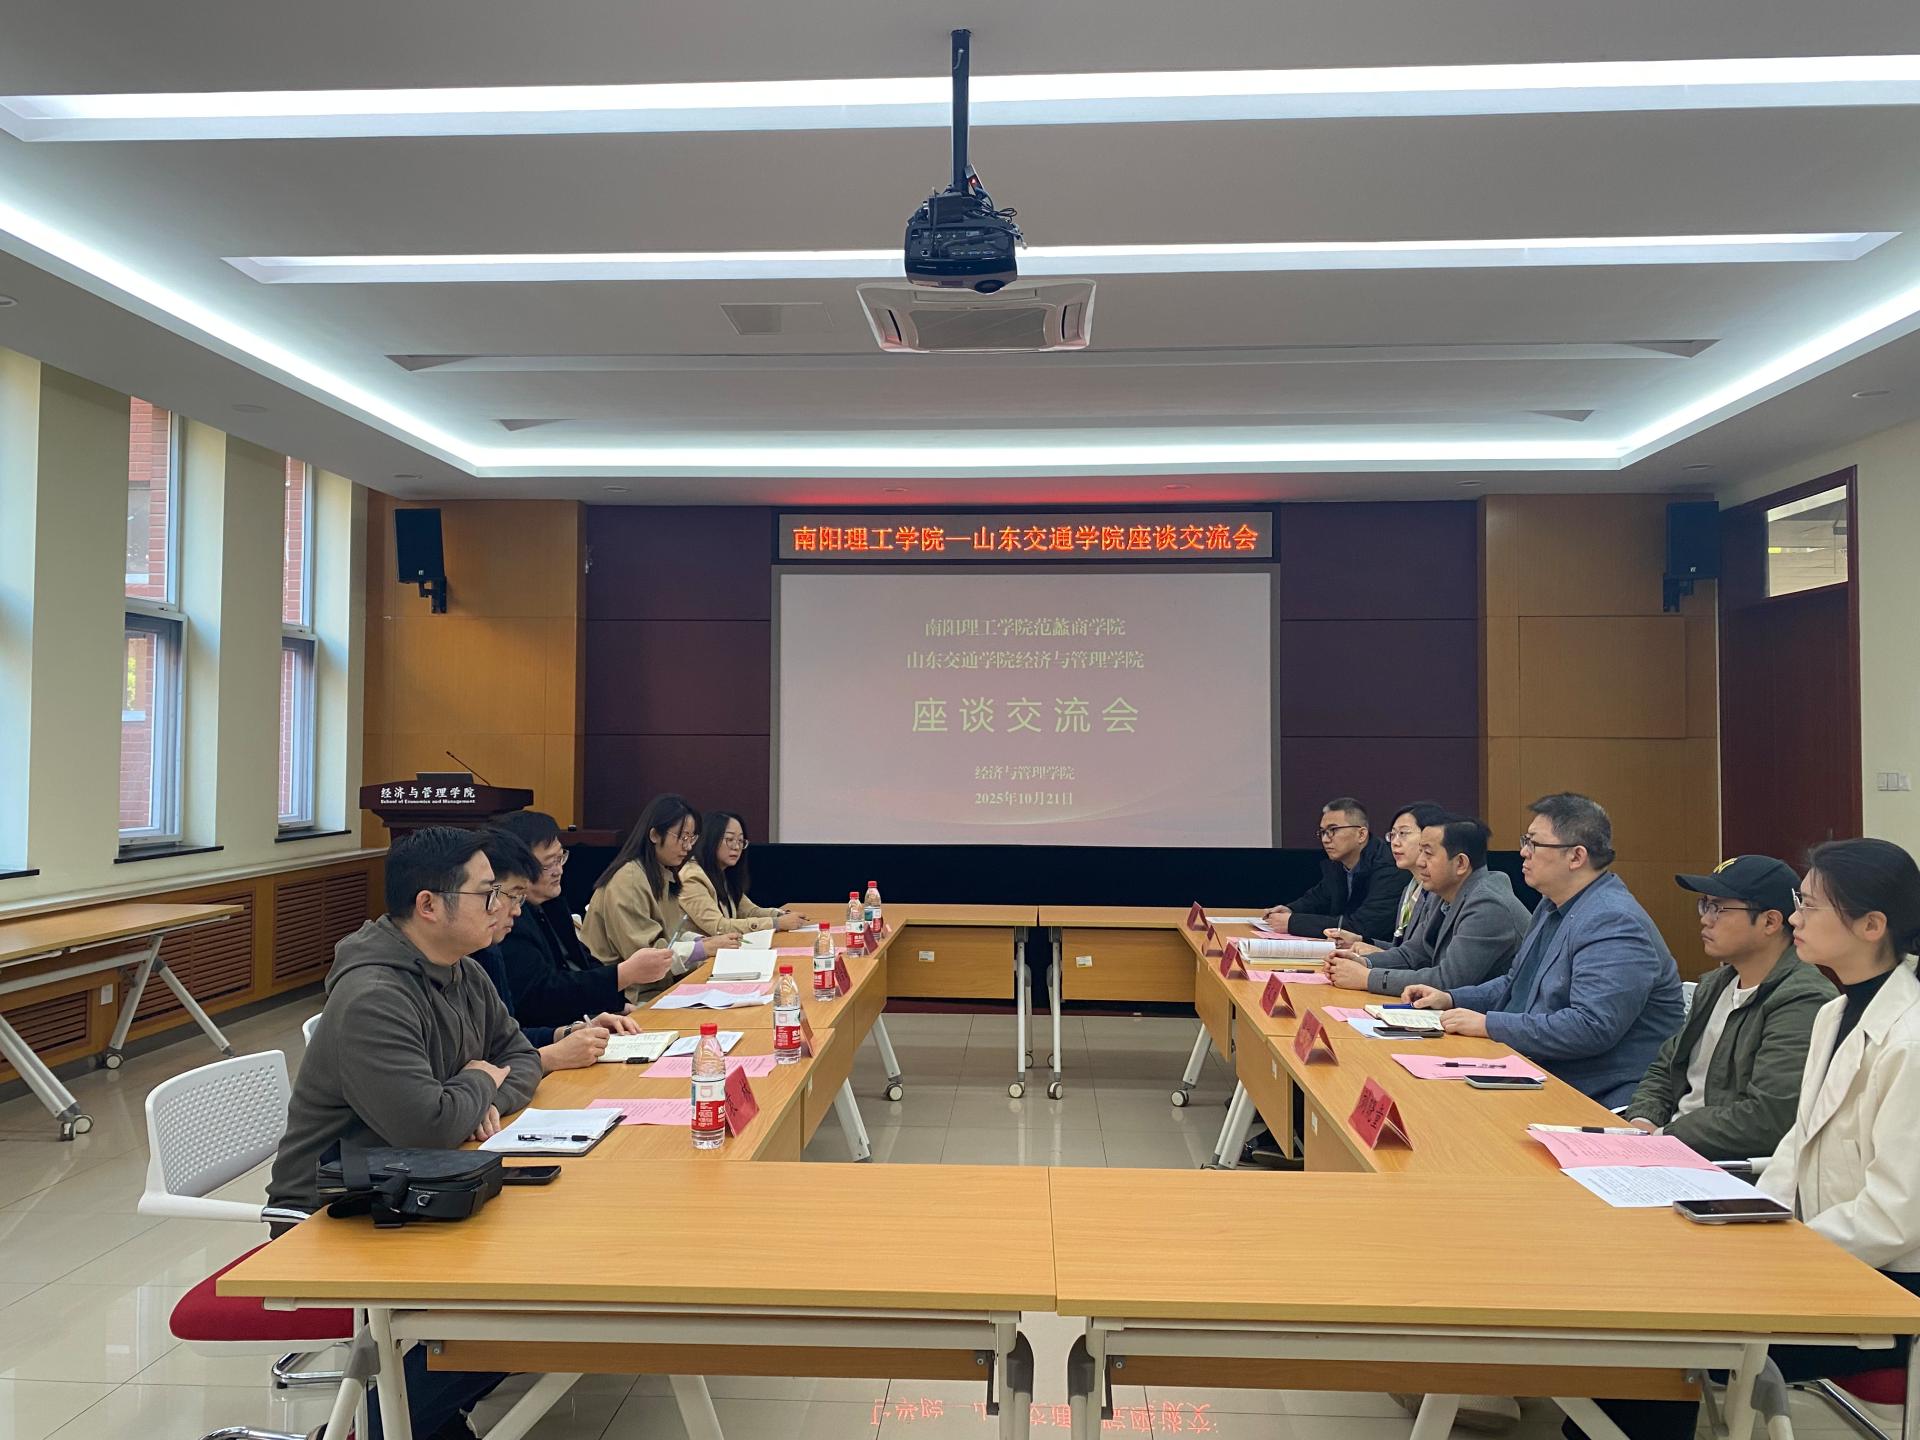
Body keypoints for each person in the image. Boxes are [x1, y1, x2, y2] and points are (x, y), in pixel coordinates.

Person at [1568, 838, 1920, 1440]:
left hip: (1883, 1281)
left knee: (1657, 1325)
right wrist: (1753, 1223)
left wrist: (1779, 1255)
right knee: (1633, 1286)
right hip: (1816, 1252)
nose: (1796, 920)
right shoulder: (1835, 1013)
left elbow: (1895, 1216)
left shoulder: (1908, 1041)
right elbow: (1796, 1146)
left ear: (1871, 925)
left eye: (1810, 906)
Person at [266, 826, 540, 1440]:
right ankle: (369, 1430)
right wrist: (478, 1084)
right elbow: (430, 1125)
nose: (501, 907)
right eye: (488, 893)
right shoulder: (373, 994)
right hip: (334, 1207)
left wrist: (478, 1095)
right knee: (524, 1299)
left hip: (420, 1181)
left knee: (544, 1275)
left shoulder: (462, 970)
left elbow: (521, 1058)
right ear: (428, 905)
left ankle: (405, 1423)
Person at [1404, 793, 1684, 1107]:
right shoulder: (1552, 905)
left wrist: (1488, 1025)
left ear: (1576, 856)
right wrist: (1452, 998)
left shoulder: (1613, 921)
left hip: (1598, 1094)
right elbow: (1515, 983)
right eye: (1526, 841)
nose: (1523, 852)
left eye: (1534, 844)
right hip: (1538, 1071)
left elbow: (1590, 1028)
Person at [1620, 856, 1835, 1161]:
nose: (1705, 920)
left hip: (1724, 1164)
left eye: (1719, 908)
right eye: (1705, 905)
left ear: (1770, 922)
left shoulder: (1802, 999)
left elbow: (1766, 1118)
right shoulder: (1716, 984)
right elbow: (1666, 1068)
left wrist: (1666, 1136)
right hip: (1668, 1146)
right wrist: (1643, 1120)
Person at [492, 809, 720, 1027]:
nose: (558, 870)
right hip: (617, 1002)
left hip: (595, 1012)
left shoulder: (551, 902)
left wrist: (613, 1004)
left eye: (560, 858)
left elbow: (584, 962)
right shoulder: (510, 919)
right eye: (549, 863)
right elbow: (539, 997)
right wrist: (622, 976)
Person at [475, 827, 639, 1072]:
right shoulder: (480, 950)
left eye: (560, 859)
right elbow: (479, 1064)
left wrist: (572, 1031)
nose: (516, 910)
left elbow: (507, 1038)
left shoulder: (486, 952)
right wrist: (548, 1057)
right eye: (548, 863)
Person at [1328, 815, 1530, 996]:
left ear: (1460, 863)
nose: (1420, 862)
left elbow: (1448, 981)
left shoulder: (1488, 906)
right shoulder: (1442, 892)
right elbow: (1413, 954)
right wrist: (1364, 962)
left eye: (1428, 853)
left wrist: (1366, 978)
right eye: (1420, 851)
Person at [580, 793, 734, 999]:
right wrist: (702, 949)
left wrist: (704, 941)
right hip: (627, 997)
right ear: (654, 835)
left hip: (657, 988)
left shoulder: (663, 874)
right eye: (682, 837)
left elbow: (672, 934)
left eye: (692, 838)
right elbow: (647, 957)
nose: (688, 847)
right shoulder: (629, 880)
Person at [1263, 797, 1402, 943]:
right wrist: (1291, 910)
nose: (1325, 839)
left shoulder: (1390, 869)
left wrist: (1293, 923)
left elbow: (1362, 926)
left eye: (1333, 830)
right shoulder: (1338, 865)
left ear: (1361, 834)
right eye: (1323, 832)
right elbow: (1317, 899)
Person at [1327, 800, 1451, 957]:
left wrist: (1372, 959)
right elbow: (1403, 949)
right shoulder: (1409, 889)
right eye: (1392, 835)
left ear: (1430, 835)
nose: (1395, 842)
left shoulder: (1439, 893)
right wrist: (1361, 941)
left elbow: (1424, 958)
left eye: (1403, 833)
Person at [679, 810, 805, 939]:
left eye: (740, 840)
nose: (736, 847)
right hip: (699, 951)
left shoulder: (722, 873)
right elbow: (719, 927)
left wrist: (780, 914)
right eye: (729, 839)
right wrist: (776, 923)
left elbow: (749, 911)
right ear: (710, 839)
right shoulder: (692, 877)